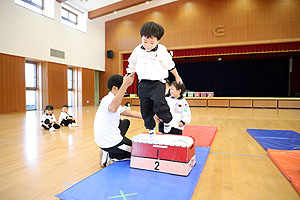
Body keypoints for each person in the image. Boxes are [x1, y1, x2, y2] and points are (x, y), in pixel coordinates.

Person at [126, 21, 183, 136]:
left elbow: (169, 65)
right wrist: (129, 75)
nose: (148, 45)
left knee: (159, 104)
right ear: (141, 38)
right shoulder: (137, 50)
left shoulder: (161, 50)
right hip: (143, 83)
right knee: (145, 107)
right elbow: (132, 64)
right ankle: (150, 128)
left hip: (158, 83)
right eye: (145, 41)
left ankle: (167, 120)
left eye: (152, 43)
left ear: (158, 40)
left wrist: (177, 76)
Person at [94, 74, 142, 167]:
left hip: (105, 138)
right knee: (137, 152)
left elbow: (131, 113)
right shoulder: (109, 100)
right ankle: (109, 153)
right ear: (115, 88)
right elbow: (112, 108)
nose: (125, 91)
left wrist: (149, 117)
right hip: (109, 142)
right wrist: (125, 84)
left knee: (125, 122)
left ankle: (109, 151)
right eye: (123, 89)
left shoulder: (112, 100)